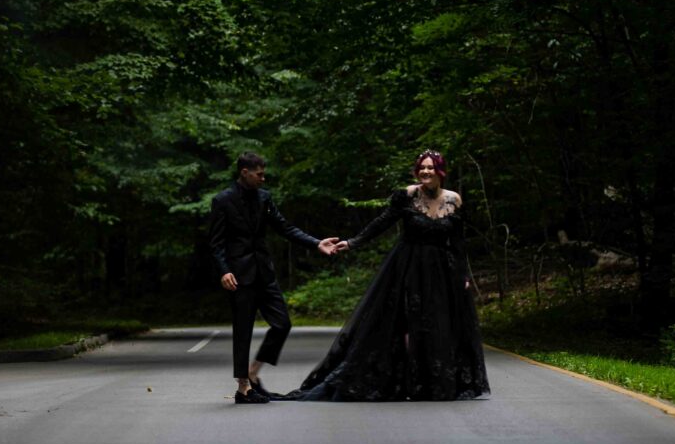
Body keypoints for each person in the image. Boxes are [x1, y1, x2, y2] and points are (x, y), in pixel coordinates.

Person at [278, 150, 490, 401]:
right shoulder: (408, 196)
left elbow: (457, 241)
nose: (425, 172)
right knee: (405, 324)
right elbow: (382, 222)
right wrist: (352, 242)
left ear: (440, 171)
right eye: (422, 167)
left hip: (443, 271)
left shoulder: (454, 200)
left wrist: (463, 273)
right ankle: (406, 383)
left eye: (431, 168)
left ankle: (436, 383)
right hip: (408, 267)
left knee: (440, 324)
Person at [209, 151, 338, 404]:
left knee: (282, 323)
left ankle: (253, 374)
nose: (263, 178)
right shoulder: (222, 201)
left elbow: (285, 228)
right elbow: (216, 243)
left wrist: (316, 244)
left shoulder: (264, 198)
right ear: (244, 172)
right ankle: (243, 388)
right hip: (238, 276)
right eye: (259, 174)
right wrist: (224, 270)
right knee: (243, 331)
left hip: (263, 273)